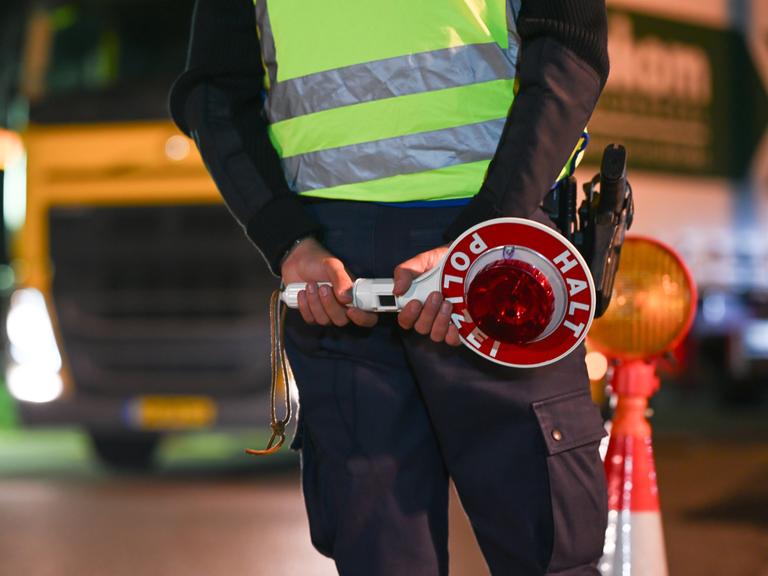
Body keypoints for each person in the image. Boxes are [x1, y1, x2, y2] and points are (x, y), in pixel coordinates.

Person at [170, 1, 610, 574]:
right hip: (481, 249)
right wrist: (481, 237)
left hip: (362, 263)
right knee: (547, 545)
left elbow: (213, 91)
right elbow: (569, 49)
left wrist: (289, 240)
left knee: (384, 552)